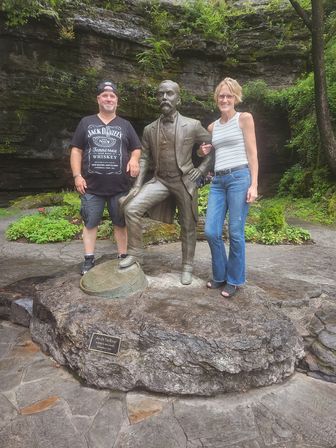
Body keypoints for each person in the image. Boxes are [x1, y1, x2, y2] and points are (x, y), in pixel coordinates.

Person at [119, 80, 212, 285]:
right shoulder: (150, 129)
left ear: (178, 98)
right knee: (131, 208)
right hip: (160, 181)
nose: (164, 98)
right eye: (161, 94)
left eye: (169, 94)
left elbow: (214, 145)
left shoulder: (193, 125)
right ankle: (135, 255)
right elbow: (143, 158)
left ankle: (187, 266)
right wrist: (137, 185)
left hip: (184, 181)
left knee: (188, 224)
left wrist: (202, 169)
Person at [70, 80, 141, 275]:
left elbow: (136, 148)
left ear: (117, 101)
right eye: (105, 95)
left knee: (121, 223)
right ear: (98, 99)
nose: (109, 99)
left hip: (120, 185)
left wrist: (134, 160)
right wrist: (77, 175)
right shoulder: (86, 122)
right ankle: (88, 259)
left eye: (112, 96)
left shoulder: (125, 125)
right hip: (91, 185)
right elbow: (76, 150)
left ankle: (122, 256)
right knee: (90, 222)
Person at [199, 77, 258, 298]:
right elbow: (205, 153)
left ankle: (234, 280)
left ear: (235, 98)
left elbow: (253, 153)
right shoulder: (212, 126)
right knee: (211, 230)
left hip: (239, 178)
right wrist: (201, 152)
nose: (225, 99)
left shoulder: (244, 119)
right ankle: (220, 275)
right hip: (218, 181)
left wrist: (254, 184)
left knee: (235, 232)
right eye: (221, 96)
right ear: (217, 99)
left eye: (229, 95)